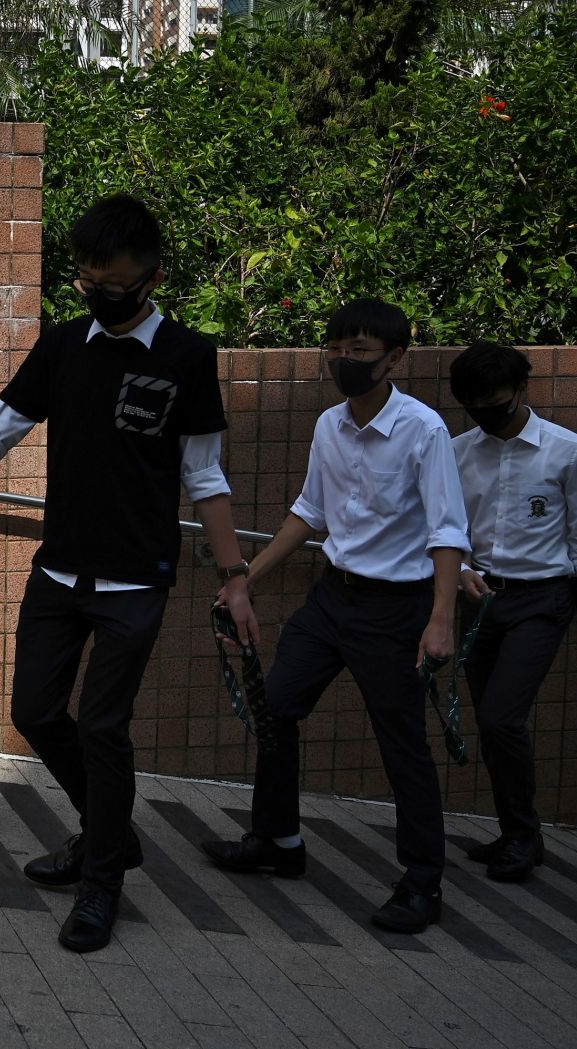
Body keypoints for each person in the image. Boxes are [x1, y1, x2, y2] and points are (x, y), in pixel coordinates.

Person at [0, 194, 259, 953]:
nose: (103, 296)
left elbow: (206, 477)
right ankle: (109, 830)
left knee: (104, 727)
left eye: (118, 284)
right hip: (60, 572)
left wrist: (234, 573)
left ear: (152, 278)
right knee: (36, 711)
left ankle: (102, 878)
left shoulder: (187, 357)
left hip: (137, 581)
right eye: (88, 281)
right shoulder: (65, 345)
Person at [201, 298, 470, 934]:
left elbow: (448, 531)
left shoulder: (424, 430)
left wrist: (440, 620)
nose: (344, 362)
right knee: (277, 706)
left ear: (396, 358)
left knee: (401, 742)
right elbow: (309, 513)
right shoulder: (329, 425)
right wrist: (243, 579)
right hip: (331, 599)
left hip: (396, 609)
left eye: (361, 353)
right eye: (338, 350)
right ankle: (278, 840)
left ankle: (422, 882)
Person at [449, 340, 577, 881]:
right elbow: (448, 529)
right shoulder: (457, 451)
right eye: (476, 407)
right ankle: (512, 830)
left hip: (542, 599)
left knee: (502, 716)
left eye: (496, 404)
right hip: (478, 599)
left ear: (522, 389)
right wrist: (461, 569)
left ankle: (524, 835)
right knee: (493, 722)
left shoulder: (569, 451)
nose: (487, 417)